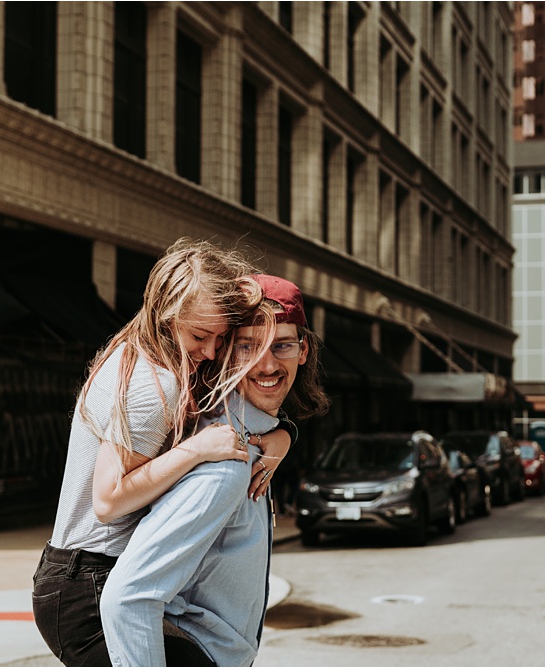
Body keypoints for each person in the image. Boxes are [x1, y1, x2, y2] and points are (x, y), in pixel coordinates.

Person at [32, 240, 296, 667]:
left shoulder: (150, 352)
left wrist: (282, 435)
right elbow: (109, 501)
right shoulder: (153, 384)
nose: (211, 351)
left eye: (222, 337)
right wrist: (197, 449)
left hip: (77, 577)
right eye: (200, 336)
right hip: (88, 586)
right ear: (167, 314)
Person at [99, 274, 330, 667]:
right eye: (248, 346)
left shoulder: (252, 442)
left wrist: (285, 435)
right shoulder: (223, 466)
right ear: (224, 352)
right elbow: (128, 599)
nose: (269, 364)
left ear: (304, 349)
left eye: (283, 345)